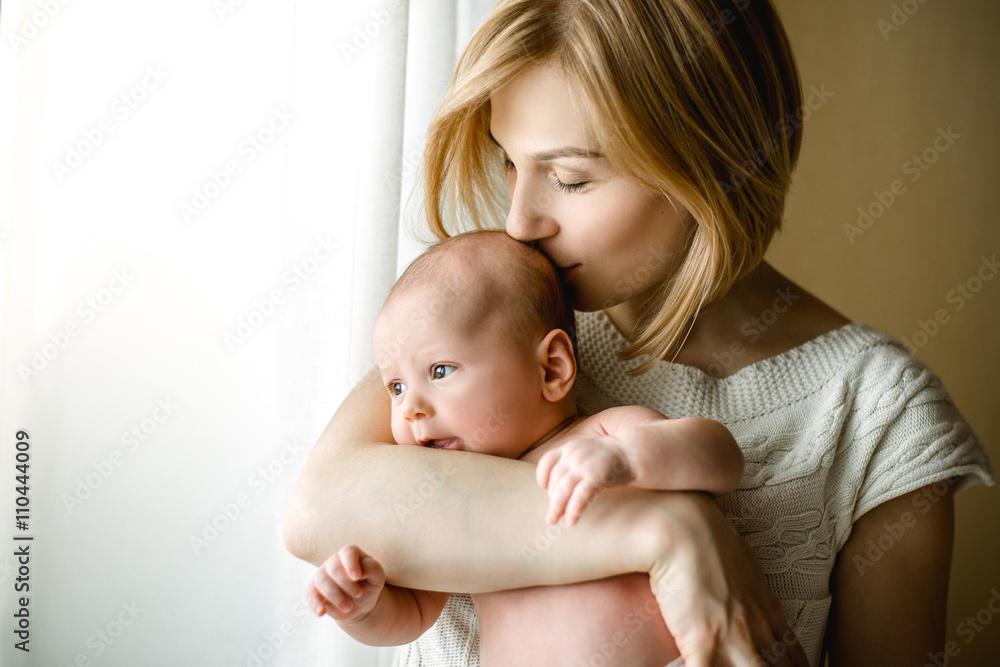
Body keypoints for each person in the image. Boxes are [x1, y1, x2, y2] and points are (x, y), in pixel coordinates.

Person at [284, 1, 995, 665]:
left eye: (569, 177)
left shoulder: (877, 413)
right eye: (510, 162)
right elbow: (317, 513)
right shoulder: (484, 328)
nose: (520, 222)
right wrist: (674, 534)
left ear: (712, 160)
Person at [305, 230, 746, 666]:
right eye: (396, 387)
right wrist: (362, 607)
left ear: (551, 368)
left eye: (440, 370)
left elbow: (723, 458)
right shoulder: (451, 504)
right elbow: (415, 614)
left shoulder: (601, 438)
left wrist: (628, 458)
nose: (410, 409)